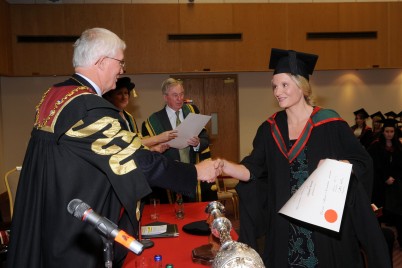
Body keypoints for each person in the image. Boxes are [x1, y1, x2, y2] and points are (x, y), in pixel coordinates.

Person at [6, 28, 222, 268]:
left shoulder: (55, 94)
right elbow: (134, 161)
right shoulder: (89, 108)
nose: (122, 70)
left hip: (51, 215)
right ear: (101, 61)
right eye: (120, 62)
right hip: (77, 230)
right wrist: (195, 172)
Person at [220, 48, 391, 267]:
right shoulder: (270, 129)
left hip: (323, 228)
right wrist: (225, 166)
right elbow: (254, 168)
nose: (277, 91)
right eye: (274, 85)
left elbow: (362, 161)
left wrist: (338, 166)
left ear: (301, 86)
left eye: (284, 85)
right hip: (284, 227)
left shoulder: (330, 124)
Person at [142, 78, 217, 204]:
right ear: (165, 97)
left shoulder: (192, 112)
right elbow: (146, 155)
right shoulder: (152, 122)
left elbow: (206, 139)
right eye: (175, 95)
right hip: (170, 177)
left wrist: (198, 143)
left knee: (195, 215)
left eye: (182, 94)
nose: (180, 98)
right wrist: (158, 148)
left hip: (194, 173)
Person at [103, 77, 177, 153]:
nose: (124, 97)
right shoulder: (107, 117)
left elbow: (135, 144)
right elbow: (124, 145)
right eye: (119, 93)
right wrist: (158, 138)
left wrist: (152, 149)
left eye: (126, 93)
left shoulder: (129, 117)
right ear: (110, 97)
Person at [368, 118, 402, 247]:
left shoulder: (398, 146)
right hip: (380, 185)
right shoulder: (376, 146)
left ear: (395, 132)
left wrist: (394, 176)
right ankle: (378, 240)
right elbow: (374, 165)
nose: (389, 134)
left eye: (391, 131)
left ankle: (400, 239)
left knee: (398, 213)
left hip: (395, 185)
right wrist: (385, 177)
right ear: (383, 132)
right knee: (379, 212)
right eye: (387, 131)